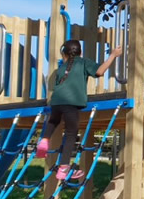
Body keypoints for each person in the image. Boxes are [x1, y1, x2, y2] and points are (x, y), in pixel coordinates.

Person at [45, 40, 120, 182]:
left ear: (65, 54)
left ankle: (44, 140)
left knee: (53, 121)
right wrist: (113, 55)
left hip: (55, 102)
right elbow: (99, 71)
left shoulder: (61, 67)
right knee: (70, 134)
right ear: (81, 52)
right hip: (71, 103)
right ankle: (64, 168)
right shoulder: (83, 62)